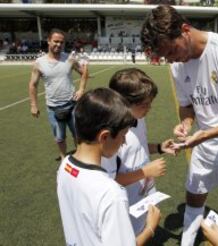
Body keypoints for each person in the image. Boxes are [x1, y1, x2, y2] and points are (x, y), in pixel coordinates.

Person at [141, 5, 218, 246]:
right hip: (203, 147)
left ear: (185, 30)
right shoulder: (178, 64)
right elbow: (187, 105)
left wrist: (209, 133)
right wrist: (186, 123)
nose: (171, 59)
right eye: (165, 56)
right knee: (194, 198)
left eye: (171, 51)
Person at [57, 88, 161, 246]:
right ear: (104, 136)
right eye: (123, 135)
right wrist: (150, 228)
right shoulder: (111, 194)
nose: (124, 142)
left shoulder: (65, 166)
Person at [102, 68, 176, 236]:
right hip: (127, 202)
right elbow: (110, 180)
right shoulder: (113, 137)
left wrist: (158, 148)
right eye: (144, 105)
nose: (149, 108)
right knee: (132, 235)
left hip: (143, 191)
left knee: (144, 225)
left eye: (150, 103)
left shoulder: (138, 119)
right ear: (123, 104)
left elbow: (138, 146)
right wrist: (145, 172)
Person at [28, 28, 88, 160]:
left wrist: (81, 90)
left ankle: (79, 157)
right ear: (49, 41)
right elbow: (33, 84)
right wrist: (33, 105)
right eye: (55, 41)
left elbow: (84, 72)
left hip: (72, 104)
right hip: (53, 108)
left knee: (77, 135)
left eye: (62, 42)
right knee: (60, 138)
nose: (59, 45)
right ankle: (63, 158)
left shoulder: (70, 59)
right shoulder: (39, 63)